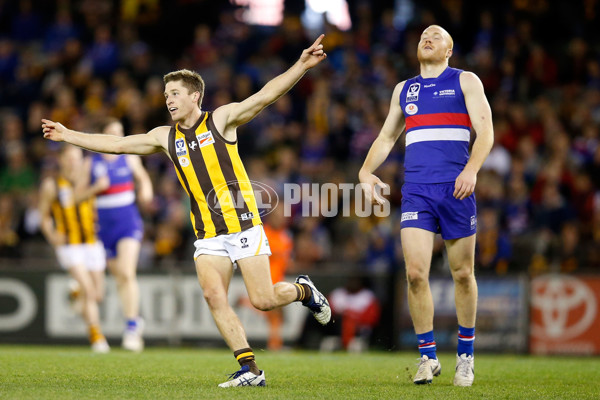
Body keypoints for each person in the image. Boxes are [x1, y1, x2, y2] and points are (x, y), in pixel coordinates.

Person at [42, 35, 331, 387]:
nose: (168, 100)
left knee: (264, 299)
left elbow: (264, 96)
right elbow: (117, 145)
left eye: (175, 94)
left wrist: (301, 64)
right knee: (213, 296)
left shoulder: (221, 119)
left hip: (242, 224)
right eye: (166, 96)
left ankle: (304, 291)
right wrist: (68, 134)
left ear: (195, 96)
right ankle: (250, 371)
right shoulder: (164, 136)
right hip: (207, 234)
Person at [359, 25, 493, 387]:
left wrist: (471, 170)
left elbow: (486, 131)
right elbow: (388, 136)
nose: (427, 38)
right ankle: (427, 357)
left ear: (450, 49)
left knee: (462, 273)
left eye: (436, 35)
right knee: (415, 273)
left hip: (456, 190)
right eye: (422, 36)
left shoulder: (465, 81)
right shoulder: (404, 89)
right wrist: (365, 171)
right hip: (417, 190)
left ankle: (465, 355)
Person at [80, 118, 153, 352]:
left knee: (126, 271)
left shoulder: (129, 157)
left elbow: (143, 178)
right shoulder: (91, 163)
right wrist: (94, 189)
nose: (116, 137)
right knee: (119, 277)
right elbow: (77, 196)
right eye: (111, 132)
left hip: (128, 223)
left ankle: (132, 326)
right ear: (101, 135)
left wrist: (146, 191)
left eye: (119, 132)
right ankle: (133, 321)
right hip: (103, 227)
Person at [38, 144, 110, 353]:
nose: (73, 162)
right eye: (69, 158)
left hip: (92, 242)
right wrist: (52, 236)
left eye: (76, 158)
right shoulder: (52, 185)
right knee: (89, 290)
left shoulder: (88, 179)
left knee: (97, 295)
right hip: (70, 245)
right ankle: (96, 336)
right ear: (61, 160)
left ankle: (76, 292)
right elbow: (43, 216)